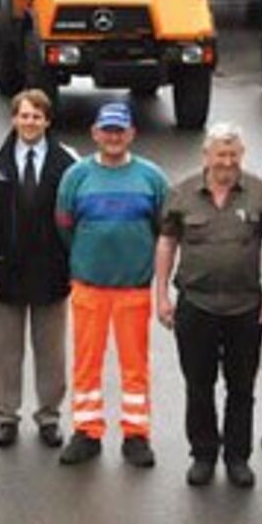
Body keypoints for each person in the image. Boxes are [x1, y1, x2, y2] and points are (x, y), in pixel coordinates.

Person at [155, 123, 262, 488]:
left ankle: (238, 457)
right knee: (199, 386)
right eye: (220, 155)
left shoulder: (260, 191)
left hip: (246, 307)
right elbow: (167, 243)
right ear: (206, 156)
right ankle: (203, 455)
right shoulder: (181, 193)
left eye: (233, 154)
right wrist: (161, 295)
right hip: (196, 305)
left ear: (242, 155)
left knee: (241, 388)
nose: (227, 162)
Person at [55, 102, 168, 468]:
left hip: (133, 287)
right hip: (89, 286)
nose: (114, 137)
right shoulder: (76, 176)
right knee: (86, 363)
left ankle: (136, 434)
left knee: (135, 365)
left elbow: (164, 229)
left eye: (120, 131)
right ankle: (87, 431)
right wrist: (86, 258)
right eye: (107, 130)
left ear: (131, 134)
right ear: (95, 133)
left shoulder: (152, 177)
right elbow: (64, 225)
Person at [0, 89, 76, 449]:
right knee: (7, 350)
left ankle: (49, 416)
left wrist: (74, 263)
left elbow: (77, 217)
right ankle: (6, 416)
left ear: (47, 121)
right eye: (24, 115)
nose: (30, 122)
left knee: (51, 351)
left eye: (37, 116)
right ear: (13, 119)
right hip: (6, 270)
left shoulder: (69, 163)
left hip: (52, 270)